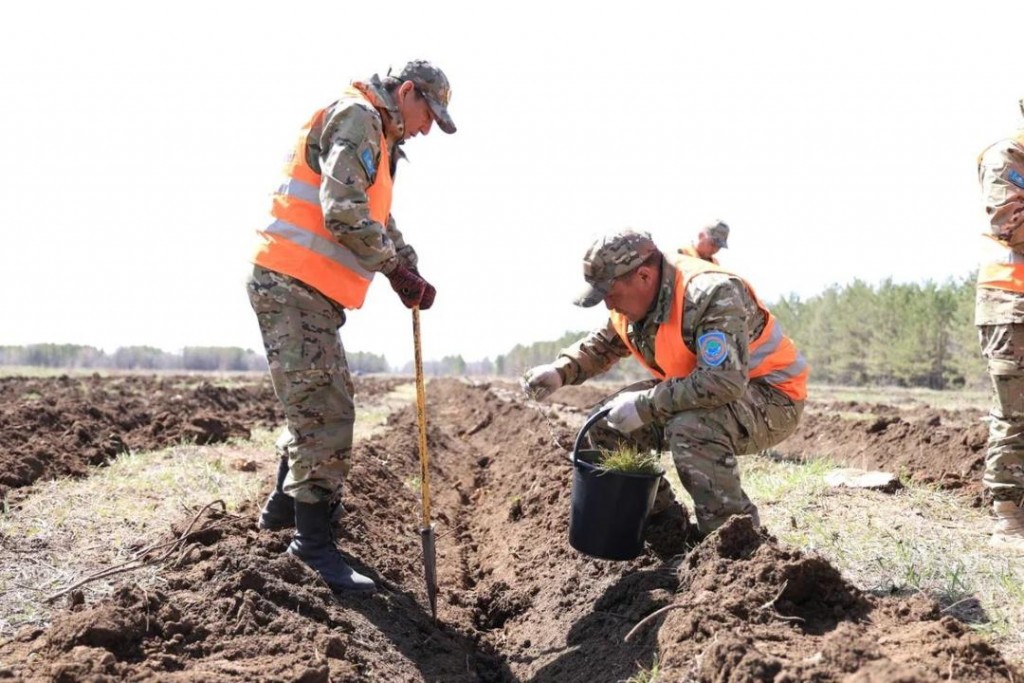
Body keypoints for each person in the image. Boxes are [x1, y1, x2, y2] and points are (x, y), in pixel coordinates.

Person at [246, 60, 456, 591]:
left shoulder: (378, 136)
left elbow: (376, 216)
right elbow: (342, 210)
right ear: (406, 93)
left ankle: (282, 511)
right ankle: (311, 547)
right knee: (327, 411)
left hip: (304, 288)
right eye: (428, 115)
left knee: (316, 403)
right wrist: (392, 270)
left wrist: (408, 268)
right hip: (291, 282)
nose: (427, 128)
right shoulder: (359, 117)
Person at [522, 229, 808, 536]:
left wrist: (645, 405)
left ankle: (732, 539)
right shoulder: (633, 301)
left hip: (772, 396)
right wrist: (559, 371)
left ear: (644, 276)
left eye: (610, 294)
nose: (608, 305)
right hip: (703, 388)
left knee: (691, 427)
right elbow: (604, 344)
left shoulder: (711, 293)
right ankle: (665, 528)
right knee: (604, 424)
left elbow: (723, 381)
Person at [975, 99, 1024, 552]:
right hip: (1012, 305)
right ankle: (1007, 517)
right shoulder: (1007, 156)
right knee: (1015, 413)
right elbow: (1010, 224)